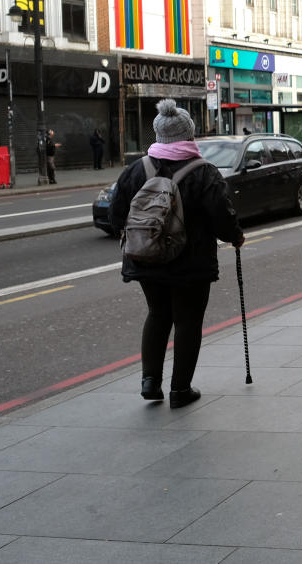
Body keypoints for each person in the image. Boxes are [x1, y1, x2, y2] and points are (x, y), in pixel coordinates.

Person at [109, 99, 245, 409]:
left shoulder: (136, 170)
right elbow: (221, 217)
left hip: (145, 257)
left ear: (158, 134)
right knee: (187, 320)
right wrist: (235, 237)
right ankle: (180, 389)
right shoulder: (204, 172)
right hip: (190, 262)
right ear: (189, 135)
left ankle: (150, 382)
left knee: (158, 314)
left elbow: (117, 216)